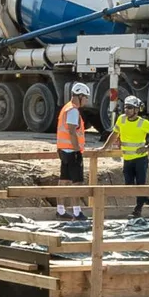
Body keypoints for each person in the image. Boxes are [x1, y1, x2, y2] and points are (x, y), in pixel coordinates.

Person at [98, 95, 149, 219]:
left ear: (137, 110)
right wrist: (104, 148)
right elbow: (114, 134)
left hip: (140, 159)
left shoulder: (143, 123)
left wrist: (148, 147)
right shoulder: (121, 119)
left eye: (130, 108)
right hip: (127, 159)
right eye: (125, 107)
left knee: (140, 185)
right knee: (129, 186)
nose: (126, 110)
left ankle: (137, 211)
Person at [55, 82, 92, 221]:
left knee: (64, 180)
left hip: (64, 150)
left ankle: (61, 210)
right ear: (80, 96)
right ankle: (77, 212)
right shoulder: (73, 110)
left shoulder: (66, 108)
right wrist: (77, 148)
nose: (86, 100)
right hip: (72, 151)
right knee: (77, 182)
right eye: (86, 97)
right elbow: (71, 130)